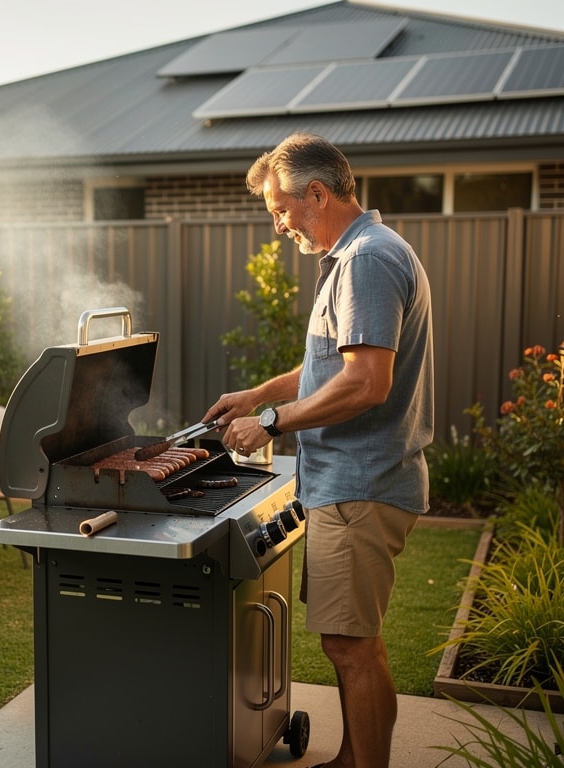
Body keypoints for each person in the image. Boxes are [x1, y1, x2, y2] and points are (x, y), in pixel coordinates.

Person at [202, 133, 433, 768]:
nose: (278, 226)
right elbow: (329, 369)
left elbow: (366, 383)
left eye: (280, 210)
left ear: (317, 193)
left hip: (362, 485)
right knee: (358, 644)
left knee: (351, 648)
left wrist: (271, 423)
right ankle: (353, 758)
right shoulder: (358, 256)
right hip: (354, 483)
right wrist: (256, 394)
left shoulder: (367, 262)